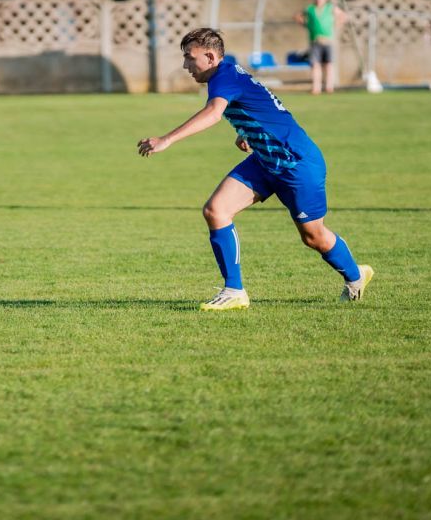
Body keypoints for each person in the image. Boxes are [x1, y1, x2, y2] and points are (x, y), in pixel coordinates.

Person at [137, 28, 371, 311]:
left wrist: (166, 139)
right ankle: (234, 291)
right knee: (216, 210)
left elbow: (213, 113)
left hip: (296, 164)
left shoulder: (224, 76)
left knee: (313, 237)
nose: (186, 65)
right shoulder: (227, 74)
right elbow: (263, 107)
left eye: (190, 58)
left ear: (210, 57)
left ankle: (356, 276)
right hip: (265, 159)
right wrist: (250, 133)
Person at [296, 0, 346, 95]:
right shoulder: (310, 9)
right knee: (315, 65)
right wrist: (306, 24)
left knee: (328, 64)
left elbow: (343, 15)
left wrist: (337, 24)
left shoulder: (330, 7)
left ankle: (329, 87)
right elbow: (298, 16)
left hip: (328, 40)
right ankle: (316, 88)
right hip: (315, 41)